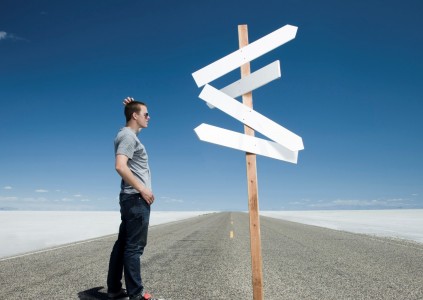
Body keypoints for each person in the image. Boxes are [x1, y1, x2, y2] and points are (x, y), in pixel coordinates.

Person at [107, 97, 157, 300]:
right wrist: (143, 189)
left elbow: (133, 121)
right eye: (146, 114)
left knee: (123, 245)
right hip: (136, 199)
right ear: (135, 116)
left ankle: (114, 289)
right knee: (134, 248)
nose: (149, 117)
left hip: (130, 199)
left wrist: (130, 106)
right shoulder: (128, 137)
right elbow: (120, 165)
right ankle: (136, 294)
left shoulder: (128, 134)